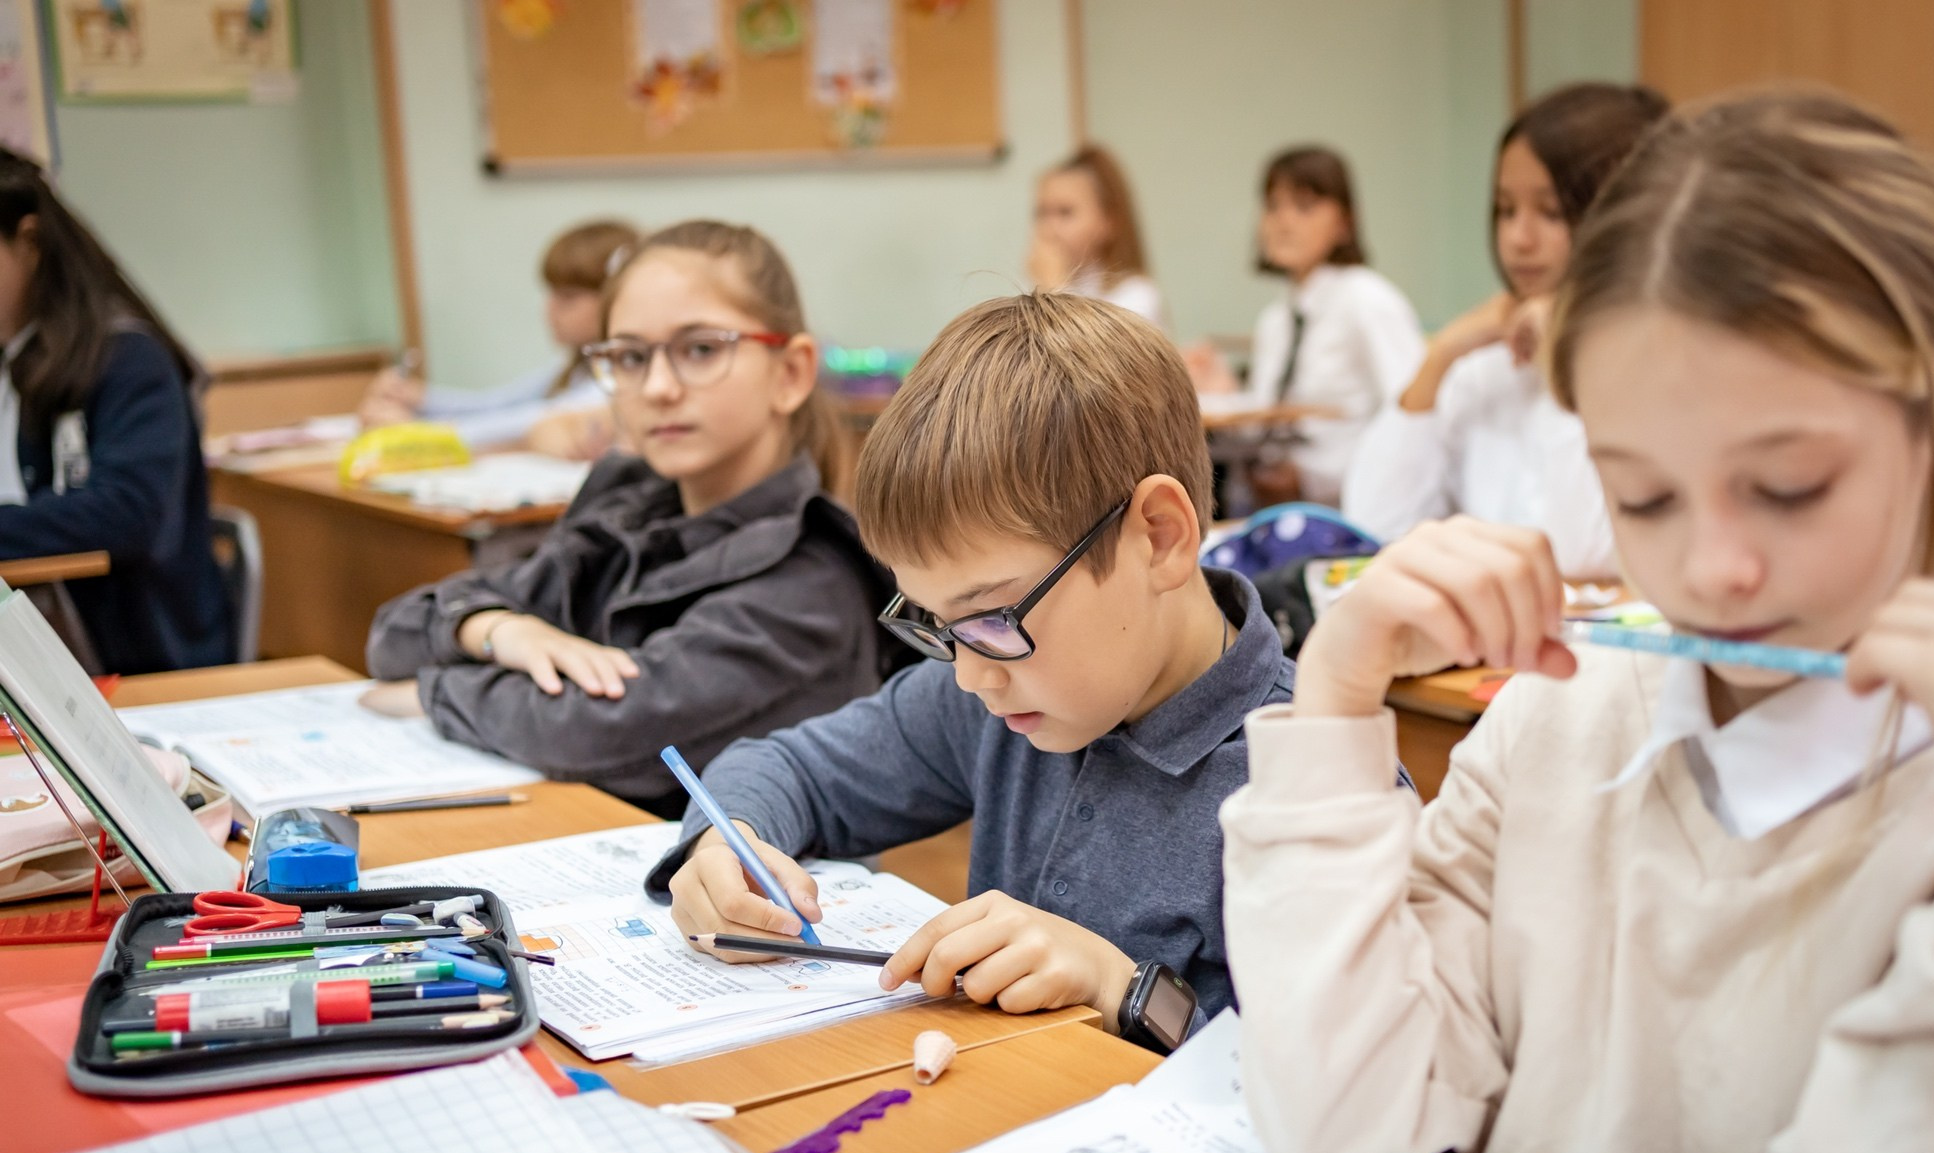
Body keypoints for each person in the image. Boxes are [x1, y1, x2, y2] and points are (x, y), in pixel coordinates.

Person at [1221, 91, 1934, 1153]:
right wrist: (1333, 696)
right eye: (1641, 496)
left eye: (1790, 487)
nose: (1713, 569)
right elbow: (1341, 1109)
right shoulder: (1565, 714)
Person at [652, 292, 1309, 1038]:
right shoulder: (1003, 693)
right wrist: (726, 841)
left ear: (1157, 537)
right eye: (935, 624)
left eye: (994, 617)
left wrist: (1118, 986)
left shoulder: (1319, 788)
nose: (968, 674)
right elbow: (786, 768)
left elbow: (1348, 1097)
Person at [366, 221, 894, 815]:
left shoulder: (812, 577)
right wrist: (499, 631)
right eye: (631, 357)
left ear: (791, 372)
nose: (659, 387)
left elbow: (598, 729)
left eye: (701, 350)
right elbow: (394, 634)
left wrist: (432, 692)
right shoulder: (627, 510)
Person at [1345, 83, 1668, 578]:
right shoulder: (1490, 359)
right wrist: (1439, 359)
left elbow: (1577, 554)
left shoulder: (1662, 361)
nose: (1519, 239)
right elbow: (1374, 527)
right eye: (1505, 209)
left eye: (1551, 212)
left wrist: (1567, 353)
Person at [0, 148, 229, 673]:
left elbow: (124, 514)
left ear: (30, 243)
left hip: (131, 654)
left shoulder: (128, 360)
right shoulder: (16, 355)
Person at [1189, 145, 1425, 507]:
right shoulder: (1276, 320)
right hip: (1273, 506)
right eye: (1272, 206)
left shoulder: (1368, 300)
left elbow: (1412, 416)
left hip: (1348, 508)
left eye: (1304, 206)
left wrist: (1315, 479)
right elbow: (1266, 425)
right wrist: (1221, 388)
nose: (1283, 221)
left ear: (1345, 222)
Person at [357, 219, 638, 457]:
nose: (549, 311)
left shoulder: (624, 376)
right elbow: (501, 402)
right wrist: (420, 399)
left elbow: (528, 422)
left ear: (613, 299)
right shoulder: (575, 366)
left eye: (567, 298)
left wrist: (418, 434)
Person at [1028, 145, 1166, 330]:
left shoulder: (1137, 295)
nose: (1048, 229)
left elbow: (1083, 355)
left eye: (1065, 212)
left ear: (1109, 221)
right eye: (1041, 213)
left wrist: (1053, 291)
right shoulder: (1039, 282)